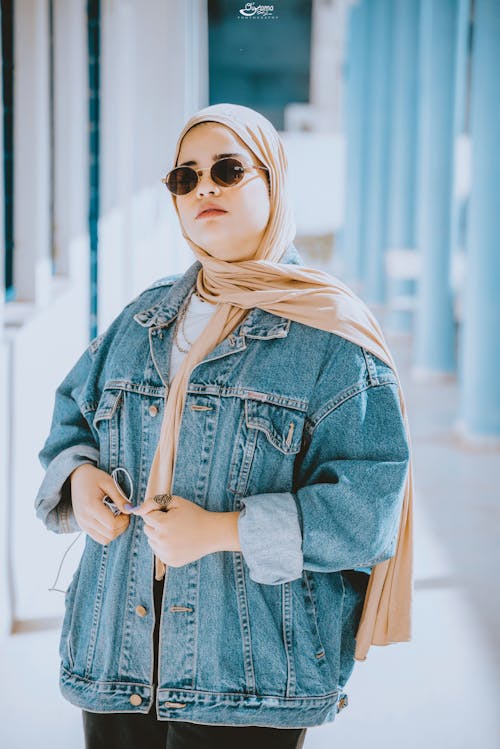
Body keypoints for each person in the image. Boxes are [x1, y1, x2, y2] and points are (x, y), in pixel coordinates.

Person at [35, 103, 413, 749]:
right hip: (115, 655)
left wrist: (222, 530)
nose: (203, 186)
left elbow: (365, 511)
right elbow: (73, 418)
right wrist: (77, 477)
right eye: (185, 177)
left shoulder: (332, 337)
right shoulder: (141, 317)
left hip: (247, 674)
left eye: (228, 169)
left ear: (274, 183)